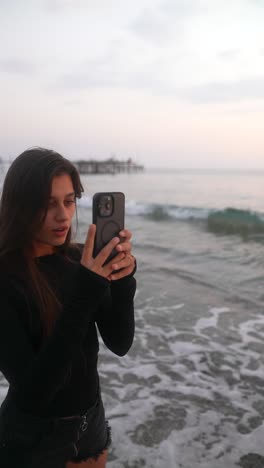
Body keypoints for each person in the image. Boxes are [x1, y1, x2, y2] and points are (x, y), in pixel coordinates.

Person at [0, 147, 136, 468]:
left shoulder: (79, 260)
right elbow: (34, 392)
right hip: (34, 438)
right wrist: (87, 288)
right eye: (47, 204)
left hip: (92, 421)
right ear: (19, 207)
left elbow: (119, 342)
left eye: (69, 200)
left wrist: (122, 280)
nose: (63, 216)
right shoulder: (5, 278)